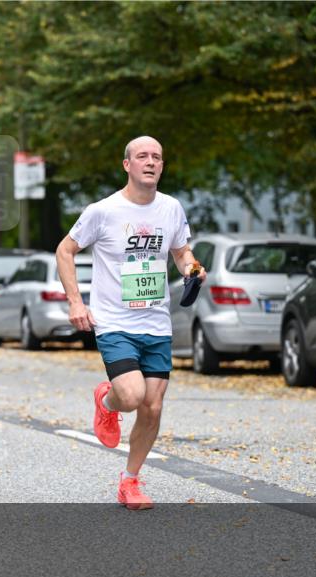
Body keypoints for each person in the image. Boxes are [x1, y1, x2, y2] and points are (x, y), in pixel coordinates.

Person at [56, 136, 206, 510]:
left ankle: (130, 481)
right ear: (127, 165)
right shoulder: (103, 211)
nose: (150, 162)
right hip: (114, 321)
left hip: (156, 322)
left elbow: (180, 251)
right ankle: (106, 400)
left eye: (157, 156)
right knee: (132, 395)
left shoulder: (171, 208)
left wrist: (192, 269)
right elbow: (65, 250)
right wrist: (75, 301)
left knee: (152, 407)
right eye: (142, 156)